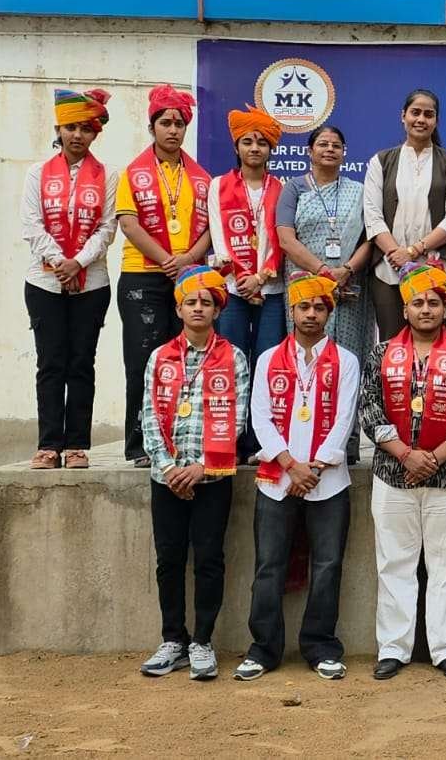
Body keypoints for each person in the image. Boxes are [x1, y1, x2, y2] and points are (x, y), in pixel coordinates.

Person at [359, 263, 446, 681]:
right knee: (393, 564)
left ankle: (445, 649)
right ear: (405, 308)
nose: (426, 309)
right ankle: (393, 649)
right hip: (393, 475)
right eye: (418, 302)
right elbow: (369, 409)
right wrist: (405, 455)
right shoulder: (381, 354)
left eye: (434, 302)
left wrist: (434, 457)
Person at [234, 273, 360, 683]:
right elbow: (260, 418)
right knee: (268, 566)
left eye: (319, 307)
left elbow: (344, 420)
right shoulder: (269, 359)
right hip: (278, 478)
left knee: (328, 565)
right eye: (303, 307)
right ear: (291, 311)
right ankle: (263, 649)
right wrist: (292, 465)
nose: (311, 314)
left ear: (329, 313)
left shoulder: (346, 361)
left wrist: (315, 468)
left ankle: (321, 646)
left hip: (328, 480)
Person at [137, 266, 249, 682]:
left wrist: (201, 467)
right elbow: (148, 415)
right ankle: (173, 640)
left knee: (209, 559)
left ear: (218, 310)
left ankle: (202, 641)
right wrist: (169, 468)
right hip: (166, 479)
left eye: (207, 302)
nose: (198, 308)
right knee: (168, 560)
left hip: (212, 477)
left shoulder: (234, 358)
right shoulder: (159, 357)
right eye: (191, 302)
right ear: (178, 309)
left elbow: (237, 419)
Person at [117, 84, 213, 468]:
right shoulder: (133, 172)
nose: (172, 130)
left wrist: (187, 259)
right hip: (142, 277)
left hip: (189, 277)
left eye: (179, 123)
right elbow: (128, 224)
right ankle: (139, 444)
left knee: (185, 361)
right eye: (165, 123)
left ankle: (179, 440)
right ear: (151, 126)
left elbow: (212, 227)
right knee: (143, 360)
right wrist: (166, 260)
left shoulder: (202, 177)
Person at [21, 88, 118, 469]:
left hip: (91, 283)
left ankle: (77, 445)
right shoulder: (36, 173)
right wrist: (60, 262)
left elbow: (107, 228)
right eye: (71, 127)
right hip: (44, 283)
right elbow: (31, 225)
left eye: (86, 129)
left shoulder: (107, 175)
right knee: (50, 363)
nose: (78, 135)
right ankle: (48, 445)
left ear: (95, 133)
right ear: (58, 129)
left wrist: (78, 262)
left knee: (81, 363)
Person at [276, 125, 375, 423]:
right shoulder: (294, 188)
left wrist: (347, 269)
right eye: (323, 144)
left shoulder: (359, 192)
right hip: (305, 285)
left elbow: (370, 239)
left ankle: (348, 436)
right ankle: (304, 427)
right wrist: (322, 272)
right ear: (310, 151)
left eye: (336, 145)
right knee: (306, 355)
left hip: (349, 285)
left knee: (348, 357)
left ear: (344, 153)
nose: (330, 149)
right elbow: (286, 239)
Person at [209, 106, 287, 462]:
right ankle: (231, 440)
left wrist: (261, 277)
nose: (255, 148)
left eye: (261, 142)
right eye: (247, 142)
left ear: (271, 149)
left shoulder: (281, 188)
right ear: (236, 147)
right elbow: (218, 235)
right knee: (232, 364)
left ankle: (260, 442)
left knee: (267, 365)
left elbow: (282, 238)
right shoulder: (218, 186)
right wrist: (241, 278)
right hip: (232, 291)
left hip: (272, 290)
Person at [362, 88, 446, 341]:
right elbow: (372, 215)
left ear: (436, 121)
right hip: (389, 270)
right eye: (415, 113)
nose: (421, 119)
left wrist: (412, 252)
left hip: (438, 267)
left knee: (438, 346)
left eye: (428, 115)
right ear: (403, 116)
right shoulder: (381, 161)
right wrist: (396, 254)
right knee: (392, 344)